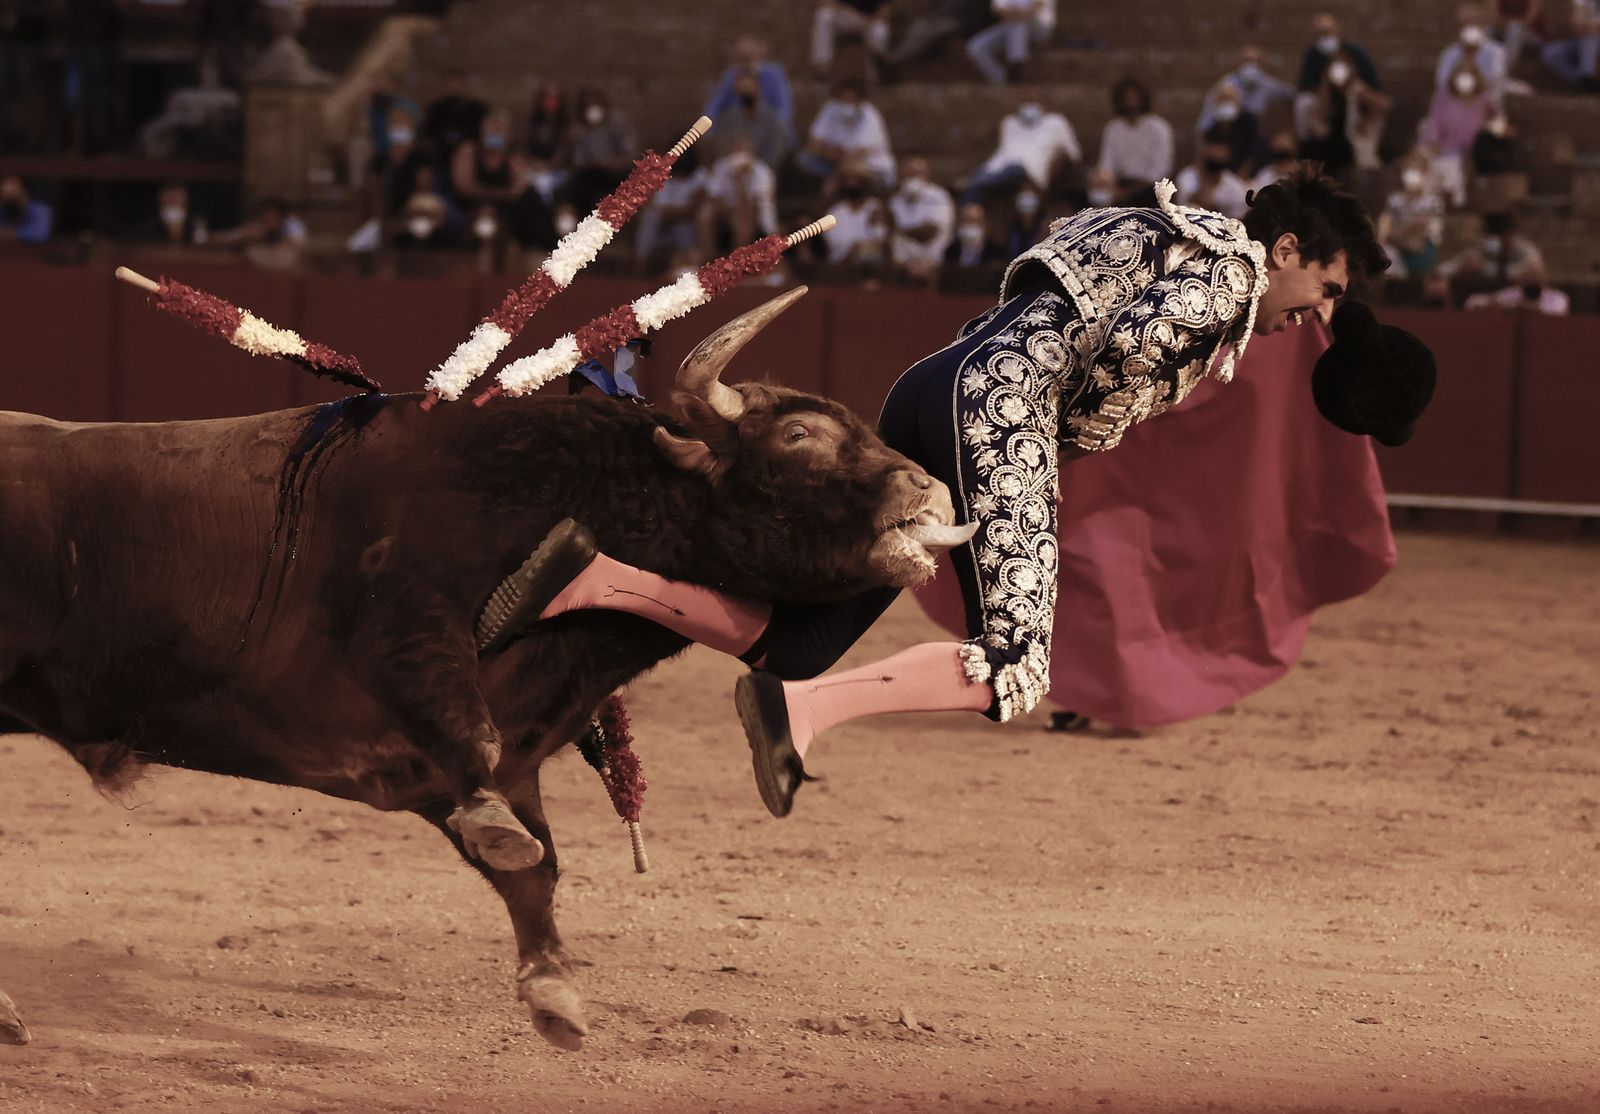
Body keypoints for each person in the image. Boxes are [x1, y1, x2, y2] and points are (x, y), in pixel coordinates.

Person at [492, 168, 1430, 819]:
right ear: (1290, 245)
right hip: (1004, 412)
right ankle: (799, 714)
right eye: (1324, 287)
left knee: (808, 626)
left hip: (934, 381)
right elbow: (1143, 338)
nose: (1317, 314)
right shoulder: (1230, 270)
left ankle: (593, 578)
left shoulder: (1154, 222)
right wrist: (1107, 390)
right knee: (1018, 664)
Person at [961, 95, 1081, 204]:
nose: (1029, 106)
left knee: (978, 185)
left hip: (1027, 170)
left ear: (1043, 104)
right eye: (1026, 102)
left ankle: (972, 190)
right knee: (981, 181)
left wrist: (1057, 161)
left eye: (1033, 101)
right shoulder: (1010, 123)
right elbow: (1002, 150)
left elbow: (1074, 154)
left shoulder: (1056, 123)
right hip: (998, 168)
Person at [796, 78, 896, 189]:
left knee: (854, 172)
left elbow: (859, 154)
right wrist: (830, 152)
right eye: (843, 98)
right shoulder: (830, 109)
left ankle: (837, 185)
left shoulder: (869, 114)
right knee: (805, 159)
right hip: (837, 163)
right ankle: (836, 183)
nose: (846, 102)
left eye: (851, 98)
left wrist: (834, 178)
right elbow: (812, 144)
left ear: (859, 100)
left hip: (869, 166)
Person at [1419, 61, 1496, 204]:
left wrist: (1490, 126)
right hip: (1440, 145)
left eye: (1469, 74)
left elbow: (1497, 118)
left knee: (1451, 166)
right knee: (1425, 161)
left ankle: (1452, 202)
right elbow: (1433, 120)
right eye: (1461, 73)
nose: (1464, 77)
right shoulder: (1443, 95)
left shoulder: (1484, 98)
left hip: (1466, 150)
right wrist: (1433, 141)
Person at [1097, 77, 1174, 203]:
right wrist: (1106, 182)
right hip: (1120, 184)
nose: (1130, 102)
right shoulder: (1113, 128)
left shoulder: (1159, 127)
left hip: (1150, 187)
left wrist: (1129, 192)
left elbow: (1161, 170)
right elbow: (1106, 166)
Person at [698, 137, 779, 257]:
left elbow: (751, 207)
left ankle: (737, 262)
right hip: (727, 211)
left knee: (742, 217)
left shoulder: (762, 172)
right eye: (735, 150)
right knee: (705, 213)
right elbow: (713, 197)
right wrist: (727, 210)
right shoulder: (721, 167)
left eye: (742, 150)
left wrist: (740, 182)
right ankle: (707, 257)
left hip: (756, 216)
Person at [704, 36, 796, 137]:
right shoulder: (731, 76)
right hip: (737, 131)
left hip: (768, 131)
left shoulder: (774, 75)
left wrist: (775, 128)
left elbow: (784, 107)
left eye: (749, 55)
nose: (745, 60)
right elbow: (715, 105)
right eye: (741, 56)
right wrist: (707, 130)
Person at [1198, 45, 1296, 134]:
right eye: (1247, 60)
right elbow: (1208, 116)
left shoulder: (1267, 84)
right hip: (1232, 130)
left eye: (1254, 61)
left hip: (1256, 131)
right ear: (1239, 63)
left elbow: (1289, 92)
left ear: (1261, 64)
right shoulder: (1226, 84)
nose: (1250, 65)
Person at [888, 156, 956, 283]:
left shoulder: (939, 196)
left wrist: (902, 231)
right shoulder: (895, 201)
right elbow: (889, 231)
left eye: (917, 173)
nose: (913, 177)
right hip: (904, 265)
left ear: (926, 175)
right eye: (909, 173)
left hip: (933, 262)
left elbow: (929, 231)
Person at [568, 88, 636, 212]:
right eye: (588, 105)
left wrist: (609, 162)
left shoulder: (618, 124)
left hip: (614, 175)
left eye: (596, 104)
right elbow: (578, 161)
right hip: (589, 175)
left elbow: (630, 156)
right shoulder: (579, 129)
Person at [711, 69, 793, 172]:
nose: (746, 92)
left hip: (763, 174)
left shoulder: (772, 121)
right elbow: (722, 150)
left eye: (749, 89)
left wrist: (752, 168)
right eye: (743, 89)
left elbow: (775, 154)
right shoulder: (728, 120)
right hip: (731, 173)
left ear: (758, 89)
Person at [1378, 154, 1446, 278]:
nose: (1412, 173)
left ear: (1425, 174)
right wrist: (1399, 233)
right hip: (1397, 247)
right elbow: (1384, 232)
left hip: (1425, 249)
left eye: (1417, 169)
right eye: (1409, 168)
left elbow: (1417, 232)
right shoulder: (1394, 200)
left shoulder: (1432, 201)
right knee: (1384, 253)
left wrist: (1396, 232)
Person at [966, 0, 1055, 85]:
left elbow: (1036, 8)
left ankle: (1016, 66)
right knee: (976, 47)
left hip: (1039, 28)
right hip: (1011, 26)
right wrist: (1016, 14)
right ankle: (1001, 80)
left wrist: (1017, 14)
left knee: (1018, 24)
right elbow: (998, 10)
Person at [1437, 2, 1511, 101]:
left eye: (1475, 22)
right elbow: (1442, 82)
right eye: (1466, 23)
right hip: (1454, 107)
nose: (1470, 26)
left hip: (1485, 107)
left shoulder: (1497, 52)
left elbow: (1494, 79)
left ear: (1484, 24)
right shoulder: (1449, 53)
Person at [821, 160, 889, 268]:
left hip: (874, 264)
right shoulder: (834, 212)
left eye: (857, 180)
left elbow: (882, 240)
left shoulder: (877, 208)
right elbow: (833, 245)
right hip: (841, 266)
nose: (852, 184)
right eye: (848, 180)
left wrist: (875, 226)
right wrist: (854, 248)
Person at [1174, 126, 1251, 219]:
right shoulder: (1186, 178)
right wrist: (1206, 183)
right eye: (1212, 161)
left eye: (1219, 162)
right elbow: (1185, 210)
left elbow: (1238, 223)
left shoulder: (1235, 187)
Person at [451, 107, 519, 211]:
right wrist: (497, 194)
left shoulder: (513, 157)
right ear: (482, 130)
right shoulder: (468, 150)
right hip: (468, 207)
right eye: (492, 127)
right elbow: (463, 187)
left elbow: (519, 189)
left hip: (503, 209)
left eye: (500, 128)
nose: (495, 131)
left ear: (508, 134)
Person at [811, 0, 893, 80]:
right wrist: (848, 11)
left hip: (870, 21)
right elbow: (823, 2)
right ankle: (822, 67)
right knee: (824, 15)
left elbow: (885, 11)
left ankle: (877, 69)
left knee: (880, 31)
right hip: (848, 16)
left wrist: (867, 21)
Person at [1540, 0, 1600, 89]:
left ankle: (1587, 75)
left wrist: (1592, 26)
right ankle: (1583, 82)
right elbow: (1577, 17)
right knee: (1550, 53)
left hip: (1594, 38)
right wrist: (1579, 21)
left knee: (1590, 37)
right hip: (1582, 39)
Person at [131, 180, 207, 246]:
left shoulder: (196, 223)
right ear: (160, 198)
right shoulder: (148, 227)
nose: (172, 198)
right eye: (169, 193)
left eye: (177, 194)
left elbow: (203, 241)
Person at [0, 175, 52, 245]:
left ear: (23, 193)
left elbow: (41, 235)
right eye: (6, 196)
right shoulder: (3, 208)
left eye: (13, 193)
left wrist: (13, 233)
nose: (10, 199)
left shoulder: (40, 210)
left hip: (33, 252)